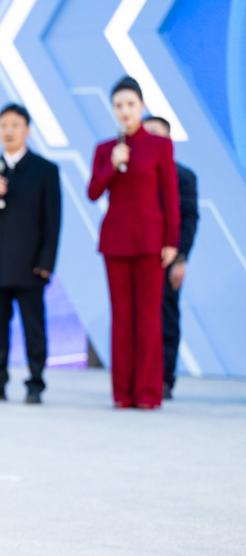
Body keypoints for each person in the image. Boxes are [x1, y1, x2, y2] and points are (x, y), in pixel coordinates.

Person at [88, 76, 179, 409]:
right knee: (122, 317)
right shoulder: (105, 149)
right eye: (118, 105)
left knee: (149, 318)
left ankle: (148, 392)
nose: (124, 111)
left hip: (151, 242)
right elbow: (93, 191)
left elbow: (170, 196)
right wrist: (112, 166)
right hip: (115, 241)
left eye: (130, 104)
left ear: (141, 106)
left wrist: (172, 241)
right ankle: (122, 392)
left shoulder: (159, 146)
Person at [0, 103, 61, 404]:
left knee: (34, 328)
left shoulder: (45, 170)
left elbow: (53, 222)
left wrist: (46, 262)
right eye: (3, 125)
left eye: (15, 125)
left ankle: (35, 383)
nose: (9, 131)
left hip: (30, 266)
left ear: (27, 130)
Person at [142, 115, 198, 400]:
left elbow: (189, 219)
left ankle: (164, 379)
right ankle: (139, 378)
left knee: (165, 318)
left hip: (167, 258)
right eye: (146, 133)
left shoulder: (182, 176)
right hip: (137, 255)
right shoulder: (133, 173)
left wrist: (180, 257)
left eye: (158, 134)